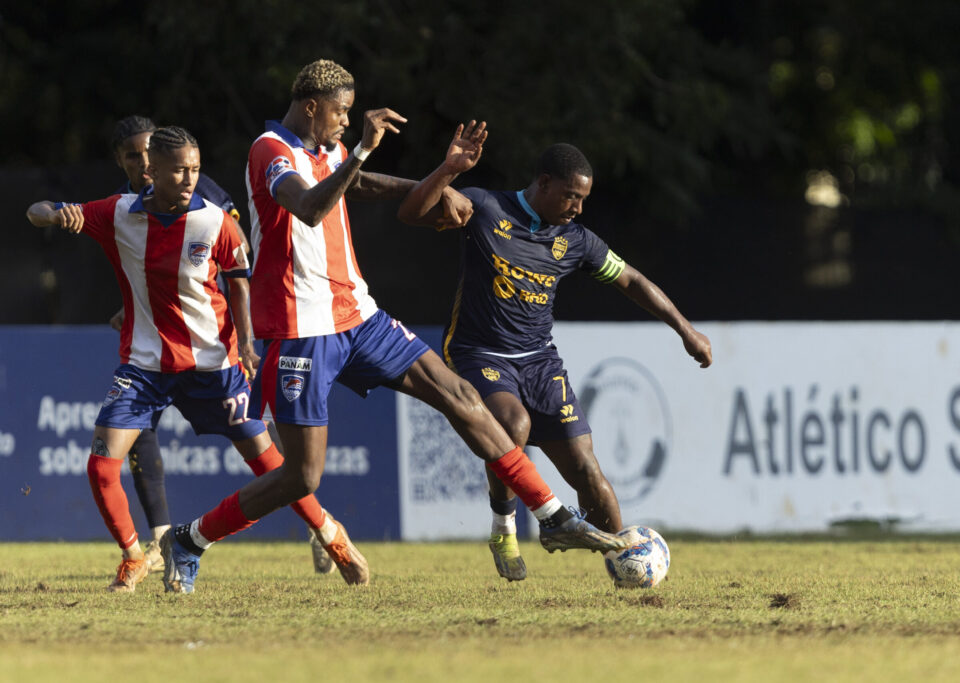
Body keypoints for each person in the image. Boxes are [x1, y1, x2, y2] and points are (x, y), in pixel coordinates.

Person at [160, 59, 637, 594]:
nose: (345, 121)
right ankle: (190, 539)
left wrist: (436, 179)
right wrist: (362, 146)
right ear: (312, 106)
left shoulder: (326, 150)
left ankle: (551, 515)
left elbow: (354, 184)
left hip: (358, 314)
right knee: (302, 477)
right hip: (300, 327)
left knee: (460, 394)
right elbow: (312, 207)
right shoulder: (270, 149)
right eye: (340, 112)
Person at [25, 126, 367, 592]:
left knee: (272, 465)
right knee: (101, 465)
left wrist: (246, 342)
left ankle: (332, 536)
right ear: (153, 172)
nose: (189, 179)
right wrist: (50, 215)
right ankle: (132, 557)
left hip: (214, 366)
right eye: (180, 170)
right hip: (145, 367)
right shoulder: (118, 213)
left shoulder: (214, 222)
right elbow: (39, 210)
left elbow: (240, 280)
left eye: (195, 169)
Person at [397, 125, 713, 581]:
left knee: (588, 471)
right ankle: (504, 527)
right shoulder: (485, 207)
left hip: (540, 361)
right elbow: (411, 213)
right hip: (478, 353)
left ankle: (623, 562)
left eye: (583, 199)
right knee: (514, 424)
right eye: (570, 196)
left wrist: (685, 330)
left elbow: (633, 281)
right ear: (543, 183)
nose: (578, 208)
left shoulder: (576, 240)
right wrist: (448, 171)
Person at [106, 115, 335, 576]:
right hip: (158, 347)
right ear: (121, 160)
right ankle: (158, 542)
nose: (144, 163)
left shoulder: (200, 190)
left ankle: (320, 526)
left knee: (257, 448)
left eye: (150, 153)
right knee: (135, 430)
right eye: (133, 156)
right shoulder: (128, 203)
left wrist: (244, 338)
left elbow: (234, 263)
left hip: (215, 342)